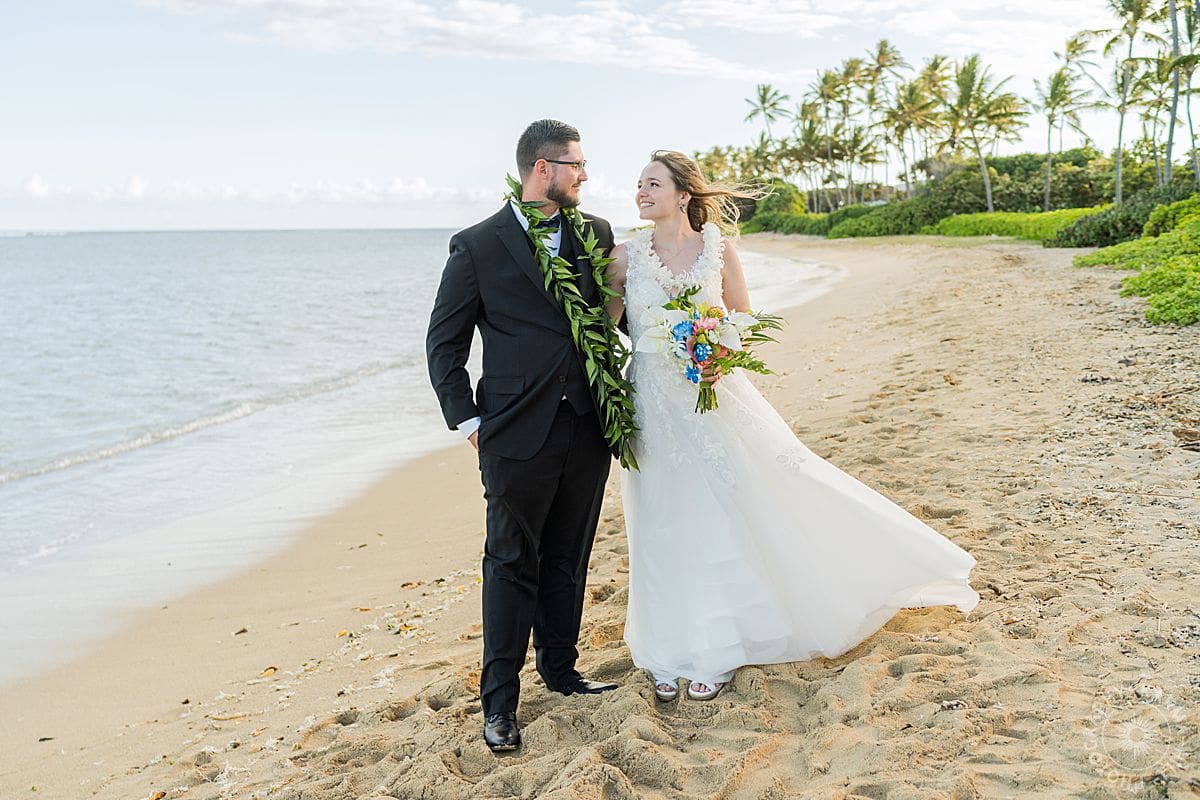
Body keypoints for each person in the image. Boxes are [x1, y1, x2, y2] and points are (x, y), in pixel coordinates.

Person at [605, 150, 980, 703]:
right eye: (638, 183)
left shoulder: (717, 249)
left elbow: (741, 318)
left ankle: (721, 645)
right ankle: (669, 647)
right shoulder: (623, 257)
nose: (641, 191)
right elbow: (605, 333)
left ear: (684, 194)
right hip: (653, 407)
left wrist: (718, 353)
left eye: (653, 183)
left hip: (713, 398)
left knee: (727, 512)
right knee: (662, 520)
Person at [425, 120, 619, 752]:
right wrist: (470, 422)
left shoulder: (596, 234)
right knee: (510, 563)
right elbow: (444, 345)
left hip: (586, 424)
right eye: (576, 165)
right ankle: (500, 705)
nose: (584, 175)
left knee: (569, 554)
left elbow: (611, 319)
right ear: (542, 168)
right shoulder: (478, 245)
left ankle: (561, 672)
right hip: (512, 431)